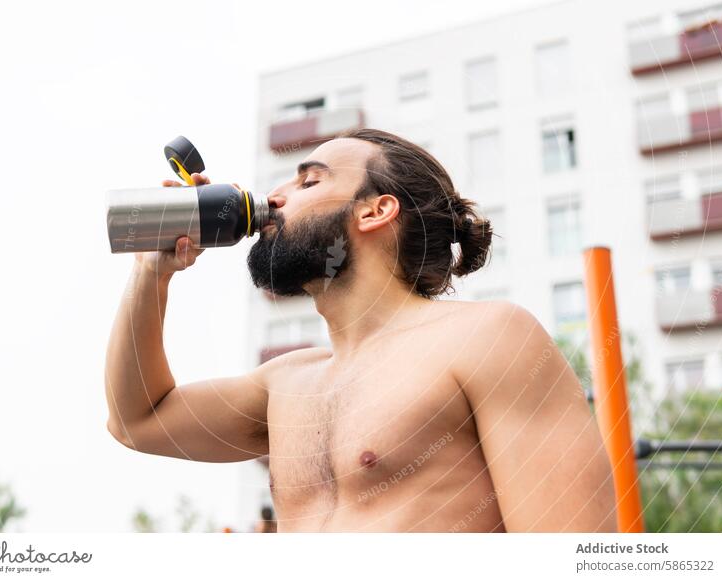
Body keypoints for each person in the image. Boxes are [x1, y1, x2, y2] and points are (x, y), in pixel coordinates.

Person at [104, 128, 617, 532]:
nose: (276, 197)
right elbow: (137, 420)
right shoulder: (286, 382)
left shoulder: (489, 339)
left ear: (376, 210)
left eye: (309, 182)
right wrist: (152, 273)